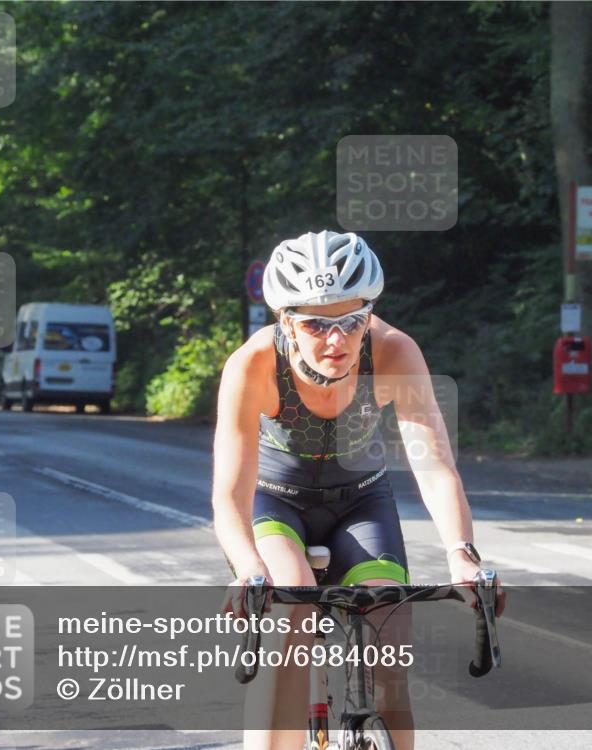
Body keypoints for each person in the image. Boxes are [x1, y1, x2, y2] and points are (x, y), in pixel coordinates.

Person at [212, 230, 505, 750]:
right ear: (285, 321)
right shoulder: (253, 365)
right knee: (292, 612)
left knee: (388, 639)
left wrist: (462, 554)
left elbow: (434, 465)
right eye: (315, 324)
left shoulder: (394, 352)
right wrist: (248, 569)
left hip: (362, 502)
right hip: (276, 502)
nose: (336, 339)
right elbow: (229, 494)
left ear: (370, 313)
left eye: (352, 320)